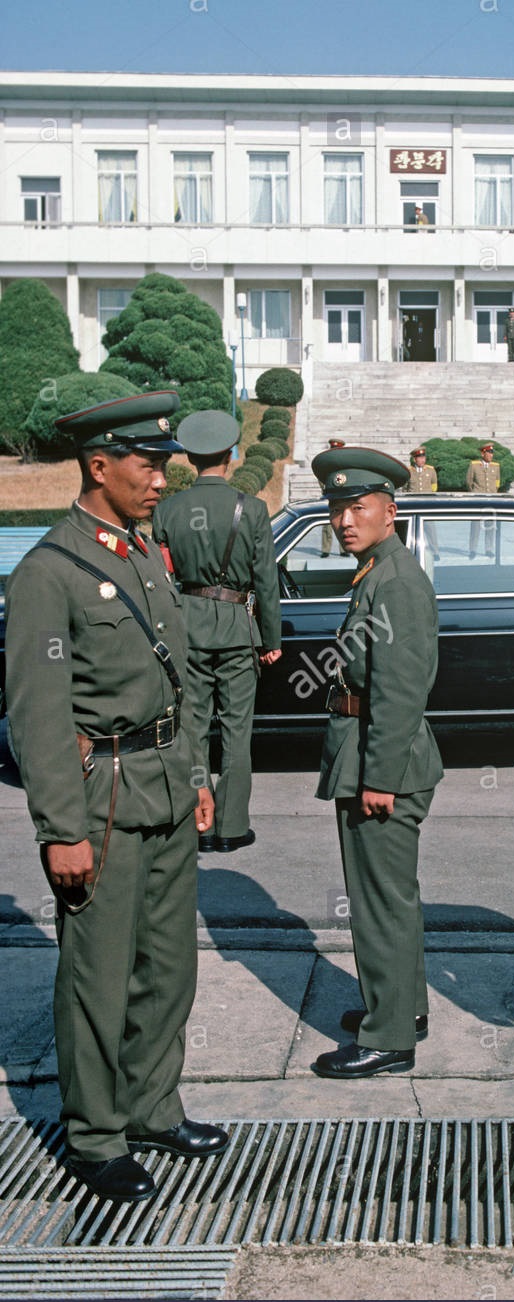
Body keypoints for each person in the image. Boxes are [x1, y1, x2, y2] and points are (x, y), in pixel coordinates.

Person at [4, 391, 225, 1204]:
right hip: (100, 800)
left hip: (165, 787)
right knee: (98, 974)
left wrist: (197, 775)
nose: (162, 478)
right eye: (148, 463)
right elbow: (37, 714)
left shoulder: (142, 555)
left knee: (167, 968)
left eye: (165, 463)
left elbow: (184, 683)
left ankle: (152, 1107)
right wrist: (62, 829)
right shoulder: (50, 574)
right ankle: (96, 1135)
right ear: (98, 466)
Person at [310, 447, 444, 1079]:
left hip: (382, 761)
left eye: (357, 507)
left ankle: (388, 1037)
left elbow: (398, 691)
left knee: (378, 901)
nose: (343, 519)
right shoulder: (377, 572)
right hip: (369, 753)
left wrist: (379, 780)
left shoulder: (394, 581)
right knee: (394, 896)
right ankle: (401, 1007)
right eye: (337, 508)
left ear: (390, 512)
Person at [151, 410, 282, 855]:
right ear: (231, 454)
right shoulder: (254, 509)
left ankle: (198, 822)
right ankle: (231, 826)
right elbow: (266, 581)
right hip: (236, 630)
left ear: (189, 458)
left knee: (190, 729)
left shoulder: (167, 509)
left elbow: (160, 579)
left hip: (186, 629)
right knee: (237, 730)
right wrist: (271, 640)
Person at [466, 442, 500, 558]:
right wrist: (474, 495)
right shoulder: (474, 465)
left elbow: (497, 483)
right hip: (478, 500)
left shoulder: (495, 466)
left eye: (492, 453)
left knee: (491, 525)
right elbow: (469, 482)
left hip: (491, 500)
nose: (491, 455)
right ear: (483, 453)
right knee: (475, 526)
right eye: (489, 453)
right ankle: (473, 549)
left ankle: (489, 549)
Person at [406, 446, 440, 559]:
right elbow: (405, 489)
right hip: (413, 504)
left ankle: (435, 551)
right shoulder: (409, 471)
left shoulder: (430, 470)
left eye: (423, 457)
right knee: (411, 530)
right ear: (415, 459)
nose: (422, 460)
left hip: (426, 504)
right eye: (420, 458)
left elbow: (434, 486)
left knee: (430, 528)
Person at [320, 439, 346, 555]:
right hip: (329, 495)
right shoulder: (326, 464)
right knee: (327, 525)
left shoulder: (343, 464)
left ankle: (344, 549)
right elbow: (321, 478)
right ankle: (326, 549)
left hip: (342, 496)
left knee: (343, 522)